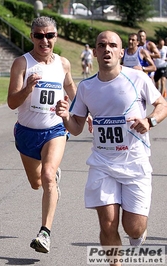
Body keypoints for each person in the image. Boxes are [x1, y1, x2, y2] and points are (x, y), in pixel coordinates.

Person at [55, 31, 167, 265]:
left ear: (121, 51)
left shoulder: (137, 79)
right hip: (103, 163)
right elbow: (75, 128)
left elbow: (161, 104)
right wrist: (66, 116)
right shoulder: (86, 87)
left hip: (135, 161)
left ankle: (138, 235)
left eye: (112, 45)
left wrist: (149, 121)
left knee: (133, 227)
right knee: (107, 223)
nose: (107, 49)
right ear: (95, 52)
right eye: (102, 45)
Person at [7, 16, 76, 253]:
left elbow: (71, 88)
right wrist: (27, 88)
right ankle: (53, 179)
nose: (44, 40)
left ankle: (44, 233)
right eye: (39, 35)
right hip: (27, 133)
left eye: (49, 35)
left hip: (55, 129)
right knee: (36, 183)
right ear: (32, 37)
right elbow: (11, 102)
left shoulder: (63, 64)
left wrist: (82, 111)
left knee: (46, 176)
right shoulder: (22, 63)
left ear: (56, 37)